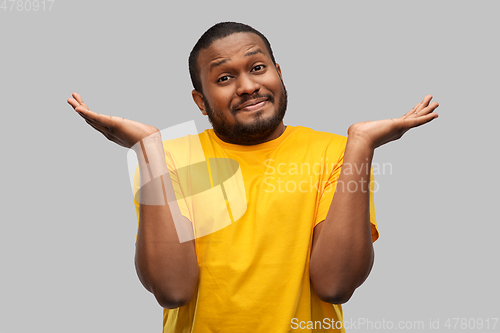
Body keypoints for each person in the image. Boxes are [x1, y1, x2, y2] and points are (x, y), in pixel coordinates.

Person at [67, 22, 439, 332]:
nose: (247, 86)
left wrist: (361, 146)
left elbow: (335, 284)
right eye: (225, 77)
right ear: (200, 101)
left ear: (279, 73)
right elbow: (173, 290)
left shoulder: (337, 154)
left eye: (258, 68)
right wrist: (148, 149)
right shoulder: (172, 159)